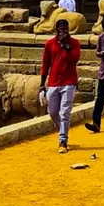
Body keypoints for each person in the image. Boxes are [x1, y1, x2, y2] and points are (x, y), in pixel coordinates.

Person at [39, 19, 81, 153]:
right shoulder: (49, 44)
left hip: (69, 82)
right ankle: (63, 129)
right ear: (57, 30)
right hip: (54, 82)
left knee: (65, 112)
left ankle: (63, 140)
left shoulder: (74, 43)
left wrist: (66, 46)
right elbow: (45, 65)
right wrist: (42, 85)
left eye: (66, 29)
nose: (65, 31)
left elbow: (74, 59)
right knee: (52, 112)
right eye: (62, 29)